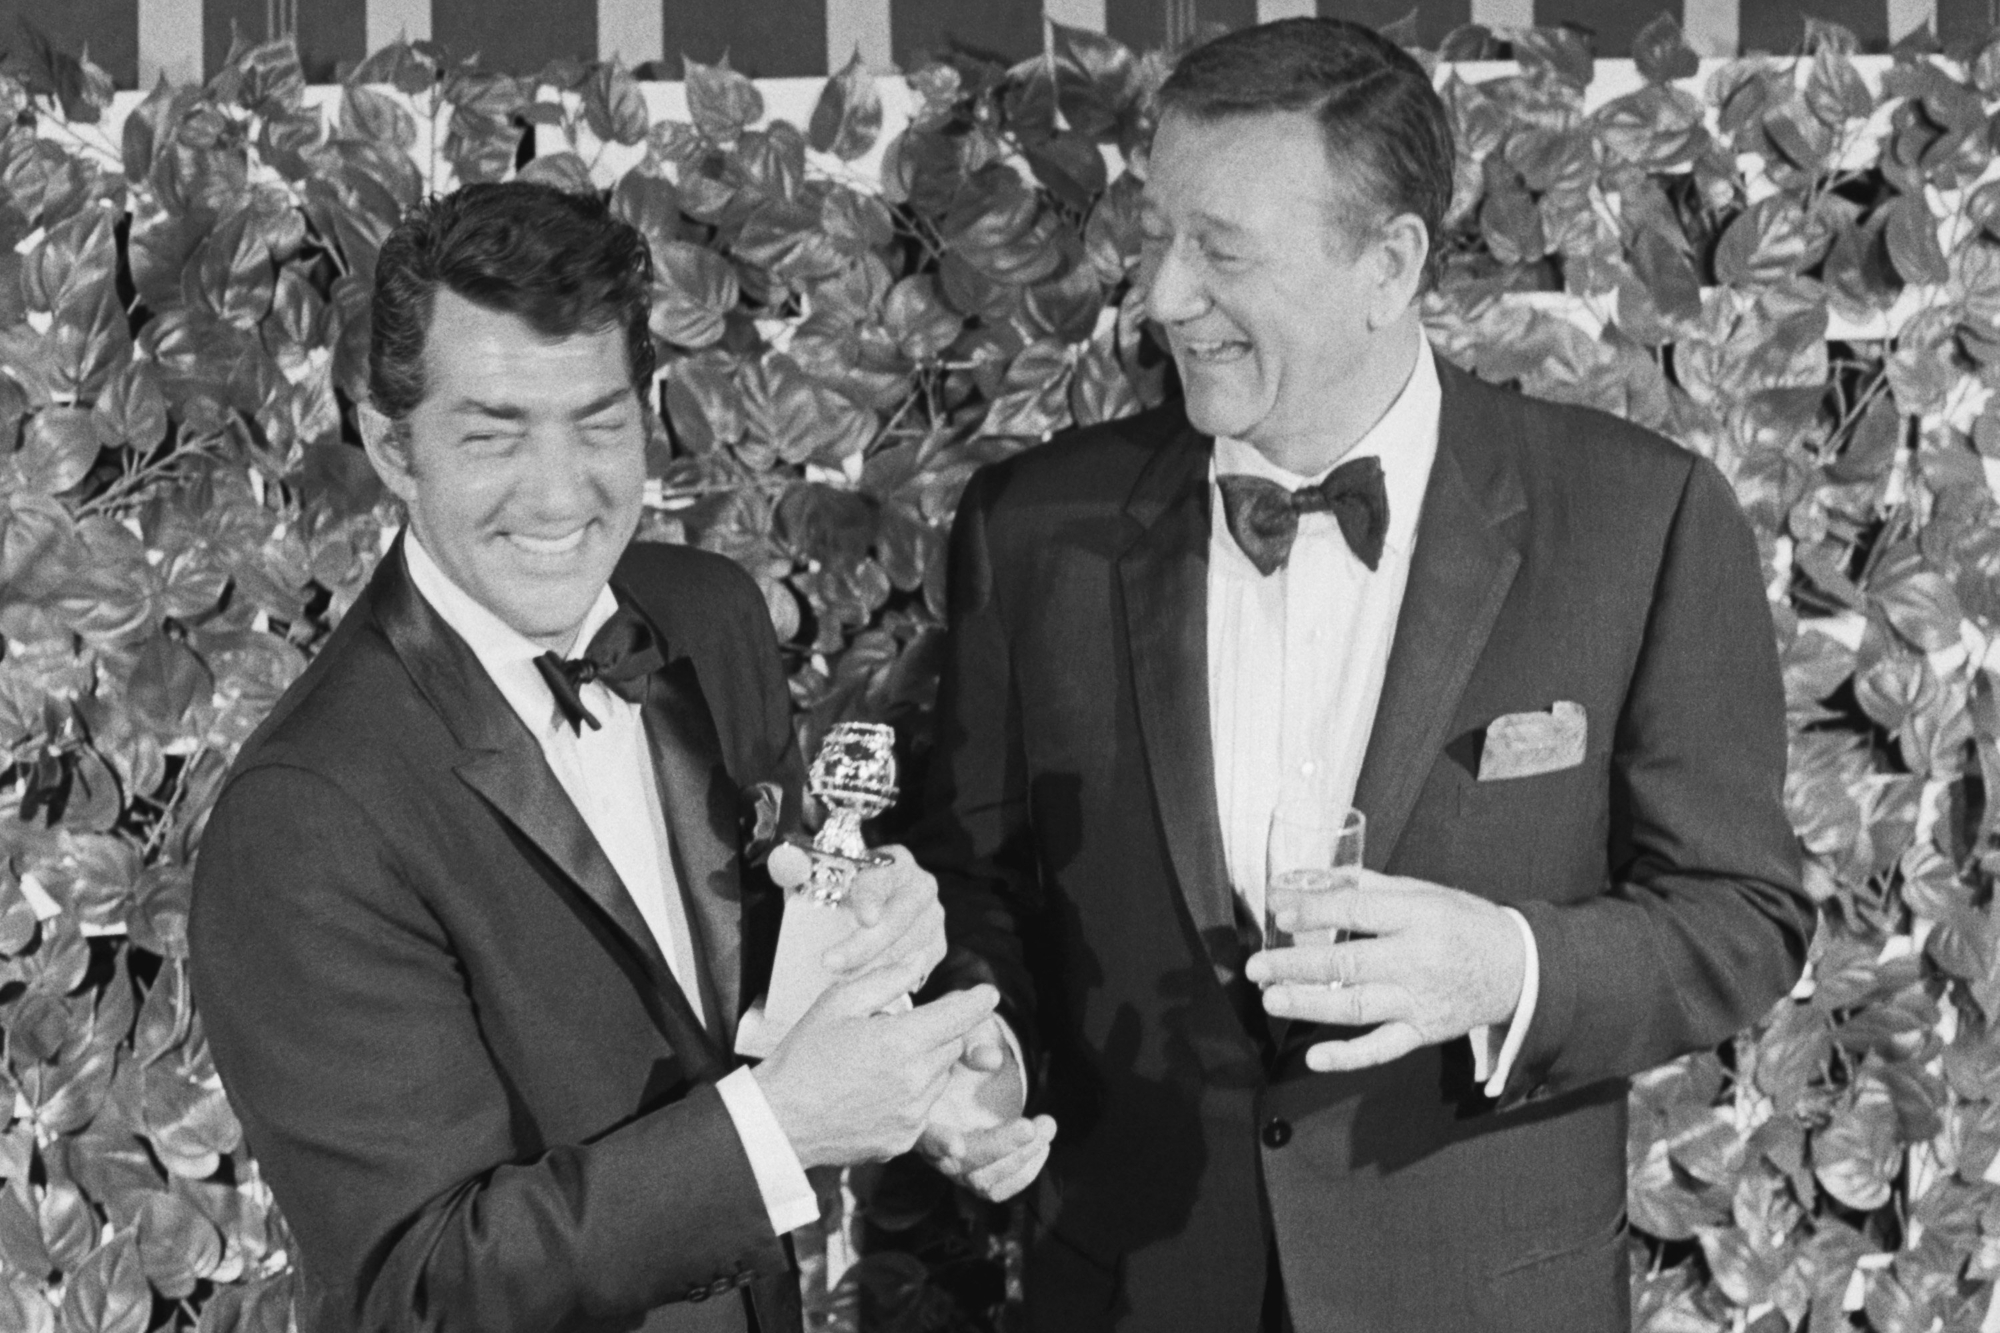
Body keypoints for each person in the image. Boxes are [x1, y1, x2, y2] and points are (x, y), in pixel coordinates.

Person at [912, 18, 1812, 1332]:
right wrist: (977, 1045)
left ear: (1388, 263)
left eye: (1221, 252)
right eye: (1161, 239)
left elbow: (1741, 917)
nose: (1163, 296)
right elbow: (975, 877)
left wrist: (1504, 969)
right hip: (1129, 1294)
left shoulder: (1642, 518)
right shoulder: (1031, 526)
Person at [188, 182, 1015, 1333]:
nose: (560, 492)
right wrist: (781, 1129)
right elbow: (417, 1290)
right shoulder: (304, 813)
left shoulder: (710, 615)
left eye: (598, 422)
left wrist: (913, 1043)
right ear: (390, 444)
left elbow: (771, 978)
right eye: (490, 433)